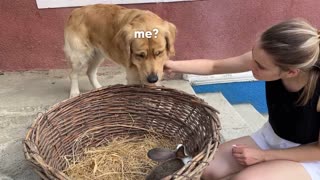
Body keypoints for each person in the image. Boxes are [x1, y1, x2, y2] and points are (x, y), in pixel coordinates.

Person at [165, 18, 320, 180]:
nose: (251, 66)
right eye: (253, 55)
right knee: (205, 168)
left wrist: (263, 156)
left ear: (291, 72)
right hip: (270, 137)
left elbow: (318, 151)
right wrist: (172, 65)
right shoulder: (266, 58)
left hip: (308, 156)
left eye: (260, 66)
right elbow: (214, 66)